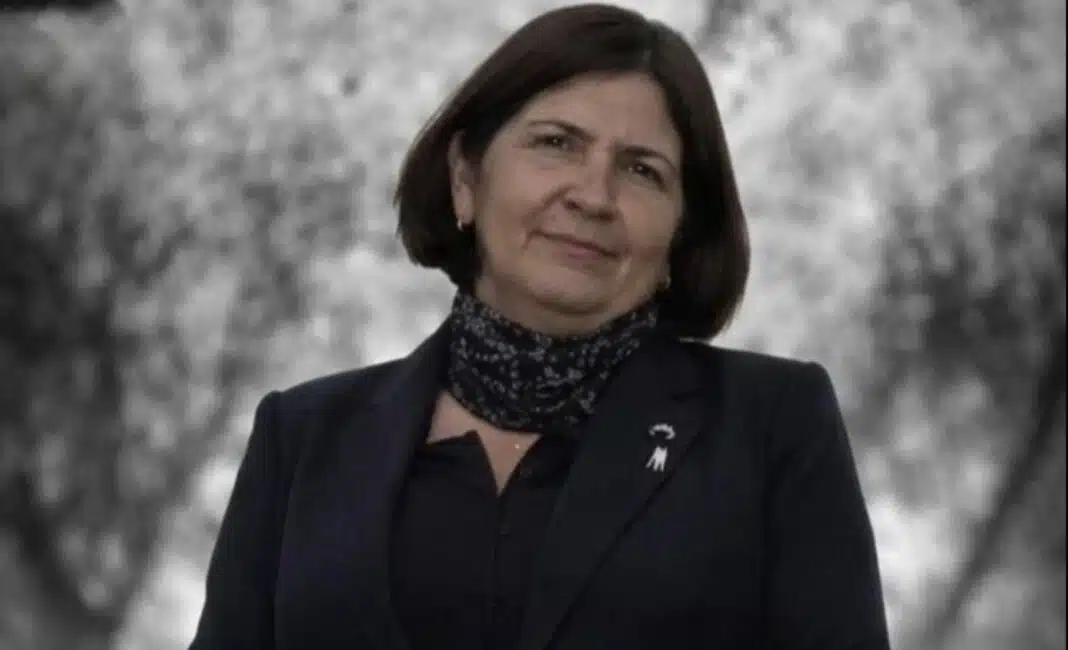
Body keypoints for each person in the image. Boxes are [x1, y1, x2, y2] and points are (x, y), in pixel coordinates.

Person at [188, 4, 892, 649]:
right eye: (556, 143)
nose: (593, 196)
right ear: (465, 179)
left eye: (642, 171)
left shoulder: (771, 427)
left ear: (681, 231)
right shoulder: (302, 438)